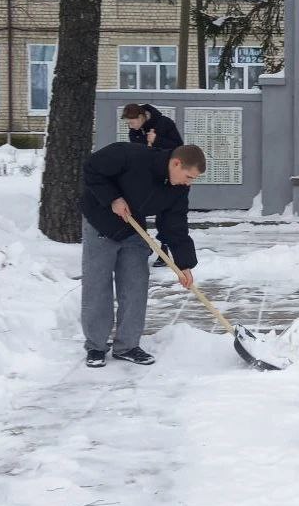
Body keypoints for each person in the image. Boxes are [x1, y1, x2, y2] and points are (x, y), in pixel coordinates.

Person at [79, 141, 206, 368]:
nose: (189, 183)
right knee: (98, 285)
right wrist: (113, 199)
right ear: (176, 163)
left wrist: (183, 265)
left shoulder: (178, 188)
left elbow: (175, 224)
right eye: (188, 176)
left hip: (133, 227)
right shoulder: (131, 156)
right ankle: (96, 347)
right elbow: (92, 168)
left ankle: (127, 346)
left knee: (136, 284)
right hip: (101, 221)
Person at [121, 102, 184, 265]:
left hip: (166, 175)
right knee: (136, 209)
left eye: (132, 122)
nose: (130, 126)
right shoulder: (134, 132)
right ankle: (145, 244)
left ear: (141, 117)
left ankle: (164, 250)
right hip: (146, 176)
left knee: (164, 215)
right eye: (128, 123)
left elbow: (179, 148)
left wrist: (157, 140)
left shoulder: (164, 124)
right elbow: (136, 153)